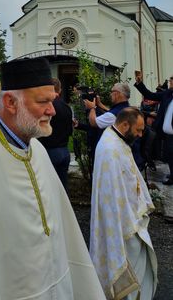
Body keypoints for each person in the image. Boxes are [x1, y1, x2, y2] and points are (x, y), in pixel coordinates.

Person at [0, 57, 106, 300]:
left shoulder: (38, 151)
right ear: (10, 102)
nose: (52, 111)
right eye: (43, 102)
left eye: (52, 101)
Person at [90, 107, 157, 299]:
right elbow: (110, 197)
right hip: (123, 227)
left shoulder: (118, 139)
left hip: (132, 218)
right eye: (138, 129)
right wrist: (127, 224)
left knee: (139, 270)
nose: (140, 134)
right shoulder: (109, 149)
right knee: (128, 270)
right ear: (125, 124)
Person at [135, 73, 173, 185]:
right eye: (170, 80)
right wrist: (139, 83)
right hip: (167, 134)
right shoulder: (168, 94)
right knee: (170, 155)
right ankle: (172, 176)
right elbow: (149, 95)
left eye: (172, 80)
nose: (170, 82)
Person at [39, 78, 73, 190]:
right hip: (64, 150)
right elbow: (70, 131)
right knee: (63, 188)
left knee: (49, 188)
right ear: (60, 90)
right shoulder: (67, 107)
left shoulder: (47, 107)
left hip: (50, 150)